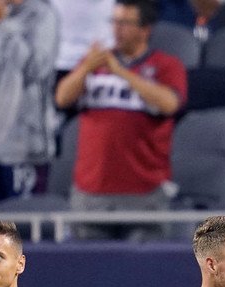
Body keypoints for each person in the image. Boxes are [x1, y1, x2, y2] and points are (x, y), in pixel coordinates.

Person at [54, 0, 186, 240]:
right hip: (91, 191)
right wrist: (85, 69)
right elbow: (62, 98)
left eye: (125, 23)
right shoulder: (95, 63)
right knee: (90, 272)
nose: (116, 29)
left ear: (145, 29)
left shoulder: (166, 65)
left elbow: (169, 103)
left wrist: (121, 72)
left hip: (143, 193)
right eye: (114, 21)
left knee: (142, 273)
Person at [0, 0, 59, 206]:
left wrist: (4, 25)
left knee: (23, 227)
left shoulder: (42, 15)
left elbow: (35, 68)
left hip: (26, 145)